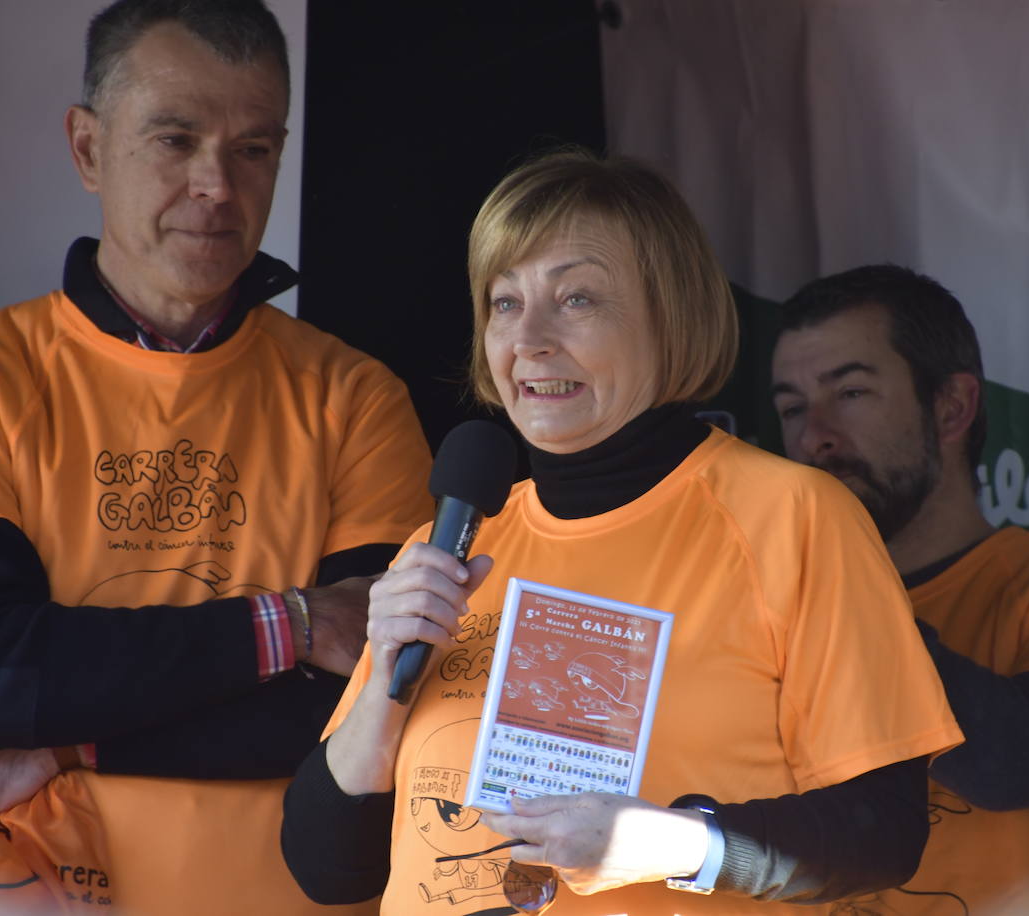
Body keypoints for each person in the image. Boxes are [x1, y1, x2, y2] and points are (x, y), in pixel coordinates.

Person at [279, 150, 964, 915]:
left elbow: (885, 832)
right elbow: (327, 868)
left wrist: (670, 844)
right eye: (504, 303)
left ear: (670, 318)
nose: (529, 339)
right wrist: (384, 693)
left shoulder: (793, 516)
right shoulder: (447, 547)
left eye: (576, 300)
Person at [0, 1, 432, 913]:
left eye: (253, 149)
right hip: (33, 892)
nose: (216, 184)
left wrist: (63, 742)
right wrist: (292, 624)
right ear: (87, 149)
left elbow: (369, 710)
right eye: (175, 139)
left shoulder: (354, 397)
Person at [769, 264, 1029, 915]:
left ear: (951, 408)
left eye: (850, 393)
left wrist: (823, 583)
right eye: (791, 408)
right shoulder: (766, 610)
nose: (815, 435)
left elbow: (1014, 763)